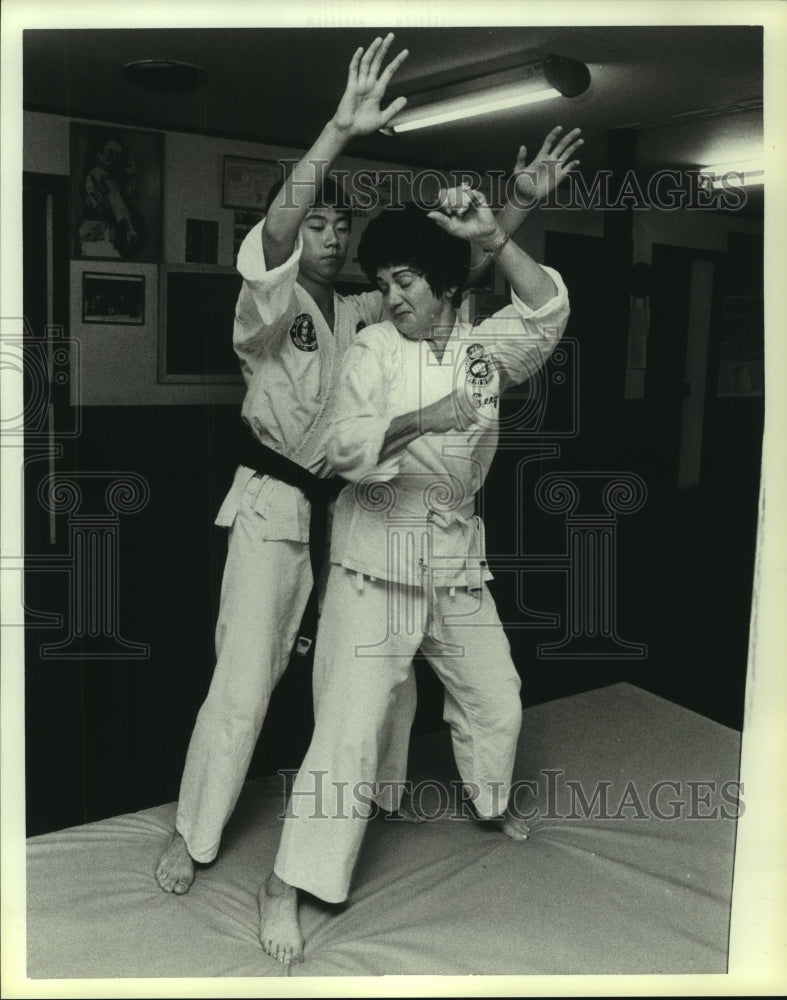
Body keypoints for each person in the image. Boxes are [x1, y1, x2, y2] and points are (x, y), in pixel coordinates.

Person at [155, 31, 581, 897]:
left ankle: (368, 808)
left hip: (372, 515)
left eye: (337, 222)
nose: (327, 231)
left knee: (380, 695)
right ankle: (194, 836)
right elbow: (276, 232)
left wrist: (515, 211)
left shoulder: (364, 313)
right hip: (282, 502)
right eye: (315, 220)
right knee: (245, 684)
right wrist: (338, 131)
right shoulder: (271, 311)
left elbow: (444, 284)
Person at [258, 184, 572, 963]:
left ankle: (490, 802)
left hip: (453, 556)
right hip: (377, 558)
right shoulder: (370, 351)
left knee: (496, 698)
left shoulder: (480, 342)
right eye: (383, 282)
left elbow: (546, 312)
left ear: (439, 281)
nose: (391, 297)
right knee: (348, 733)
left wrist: (499, 235)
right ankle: (285, 885)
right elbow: (341, 449)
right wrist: (425, 419)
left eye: (405, 281)